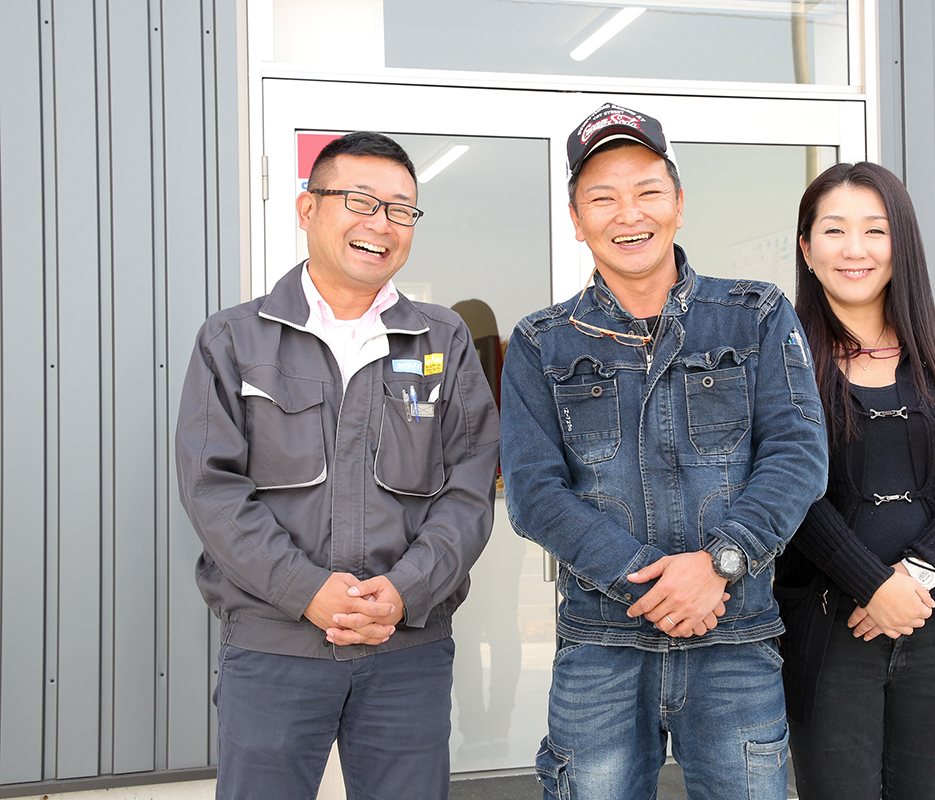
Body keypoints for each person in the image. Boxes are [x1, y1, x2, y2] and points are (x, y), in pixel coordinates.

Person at [500, 103, 828, 800]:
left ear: (679, 203)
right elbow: (534, 494)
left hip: (735, 636)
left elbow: (798, 455)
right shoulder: (540, 342)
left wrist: (720, 564)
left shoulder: (755, 314)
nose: (629, 214)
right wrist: (653, 583)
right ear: (576, 219)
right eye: (603, 198)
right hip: (601, 645)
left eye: (647, 190)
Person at [175, 131, 500, 800]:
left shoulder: (442, 340)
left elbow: (469, 489)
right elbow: (213, 490)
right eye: (360, 201)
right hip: (274, 647)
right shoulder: (234, 339)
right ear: (307, 209)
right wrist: (307, 591)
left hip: (406, 649)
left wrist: (405, 590)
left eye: (401, 209)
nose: (381, 224)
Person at [774, 162, 935, 800]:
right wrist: (871, 584)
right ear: (806, 248)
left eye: (874, 230)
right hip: (829, 629)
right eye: (834, 230)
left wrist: (915, 575)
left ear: (900, 243)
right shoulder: (780, 354)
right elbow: (781, 485)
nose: (854, 249)